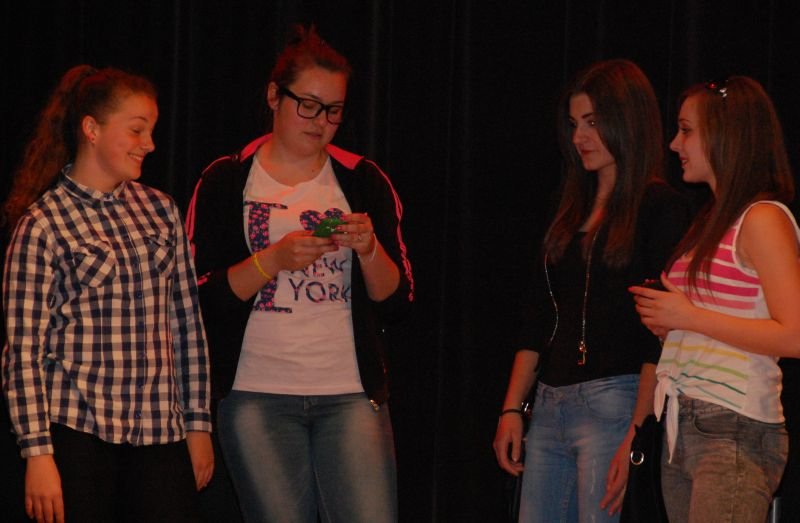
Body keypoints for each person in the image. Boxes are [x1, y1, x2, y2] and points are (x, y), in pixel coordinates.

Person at [185, 25, 414, 523]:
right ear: (274, 96)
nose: (321, 122)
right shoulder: (226, 179)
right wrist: (272, 260)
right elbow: (197, 298)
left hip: (349, 393)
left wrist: (369, 249)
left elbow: (398, 302)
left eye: (333, 110)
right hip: (256, 394)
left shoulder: (362, 179)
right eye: (308, 105)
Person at [1, 65, 213, 523]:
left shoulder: (160, 210)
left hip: (158, 429)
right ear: (92, 129)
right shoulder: (43, 224)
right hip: (79, 429)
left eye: (152, 130)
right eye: (136, 129)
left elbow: (186, 324)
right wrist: (37, 453)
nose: (149, 143)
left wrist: (197, 422)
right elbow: (23, 351)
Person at [493, 59, 691, 522]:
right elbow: (537, 315)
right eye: (574, 123)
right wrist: (512, 408)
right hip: (549, 403)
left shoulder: (660, 208)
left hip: (613, 402)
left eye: (593, 122)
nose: (580, 136)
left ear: (627, 122)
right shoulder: (568, 207)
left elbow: (659, 335)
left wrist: (636, 432)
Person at [630, 76, 798, 522]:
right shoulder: (710, 223)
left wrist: (689, 317)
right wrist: (670, 325)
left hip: (733, 425)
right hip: (684, 423)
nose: (674, 144)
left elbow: (795, 334)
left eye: (686, 130)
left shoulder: (763, 219)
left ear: (727, 135)